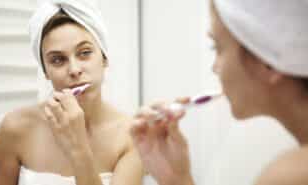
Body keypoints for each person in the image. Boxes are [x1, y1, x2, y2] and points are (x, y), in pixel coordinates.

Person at [130, 1, 308, 185]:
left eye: (217, 47)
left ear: (266, 62)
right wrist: (175, 178)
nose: (214, 68)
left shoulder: (290, 176)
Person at [0, 0, 143, 185]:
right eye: (58, 60)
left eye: (84, 52)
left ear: (104, 58)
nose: (74, 69)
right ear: (45, 71)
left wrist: (78, 147)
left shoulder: (133, 137)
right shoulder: (15, 127)